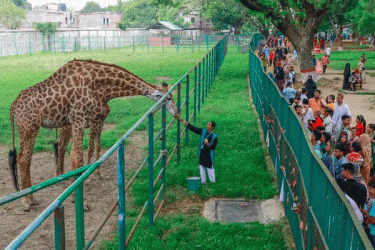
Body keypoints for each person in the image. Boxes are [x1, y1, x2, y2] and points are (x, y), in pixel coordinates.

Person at [180, 119, 218, 184]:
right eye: (207, 124)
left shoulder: (214, 136)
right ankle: (203, 182)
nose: (207, 125)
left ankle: (212, 182)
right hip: (202, 152)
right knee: (201, 167)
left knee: (209, 168)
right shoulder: (203, 131)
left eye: (209, 124)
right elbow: (195, 129)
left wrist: (208, 144)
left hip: (208, 154)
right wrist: (186, 123)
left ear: (212, 127)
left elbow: (213, 147)